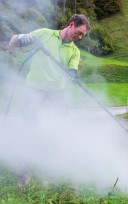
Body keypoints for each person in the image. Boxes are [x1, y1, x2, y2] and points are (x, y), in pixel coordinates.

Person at [8, 14, 91, 188]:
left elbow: (72, 70)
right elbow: (13, 45)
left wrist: (73, 75)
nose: (80, 37)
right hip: (34, 91)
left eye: (83, 35)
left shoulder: (74, 51)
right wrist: (20, 38)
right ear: (71, 24)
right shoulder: (44, 34)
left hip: (56, 95)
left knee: (52, 132)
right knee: (29, 130)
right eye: (80, 32)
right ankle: (24, 172)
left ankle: (46, 169)